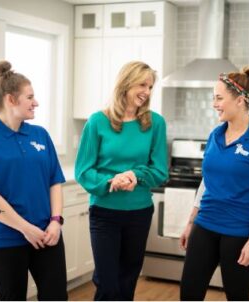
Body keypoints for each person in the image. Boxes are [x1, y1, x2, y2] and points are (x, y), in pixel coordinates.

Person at [0, 60, 68, 301]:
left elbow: (54, 181)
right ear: (11, 99)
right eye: (30, 97)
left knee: (56, 296)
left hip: (48, 234)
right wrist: (25, 228)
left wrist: (55, 221)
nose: (36, 102)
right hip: (4, 239)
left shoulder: (40, 134)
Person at [179, 67, 249, 301]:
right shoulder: (215, 134)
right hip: (205, 225)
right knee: (189, 293)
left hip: (239, 232)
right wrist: (190, 221)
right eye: (214, 97)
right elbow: (207, 181)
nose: (214, 104)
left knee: (237, 296)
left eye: (219, 97)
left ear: (241, 100)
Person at [74, 61, 168, 301]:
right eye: (142, 84)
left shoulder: (155, 123)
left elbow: (159, 170)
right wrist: (110, 182)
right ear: (125, 84)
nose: (147, 91)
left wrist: (135, 175)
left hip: (139, 212)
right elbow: (83, 171)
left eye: (150, 86)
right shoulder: (97, 121)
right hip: (105, 212)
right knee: (107, 283)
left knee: (127, 281)